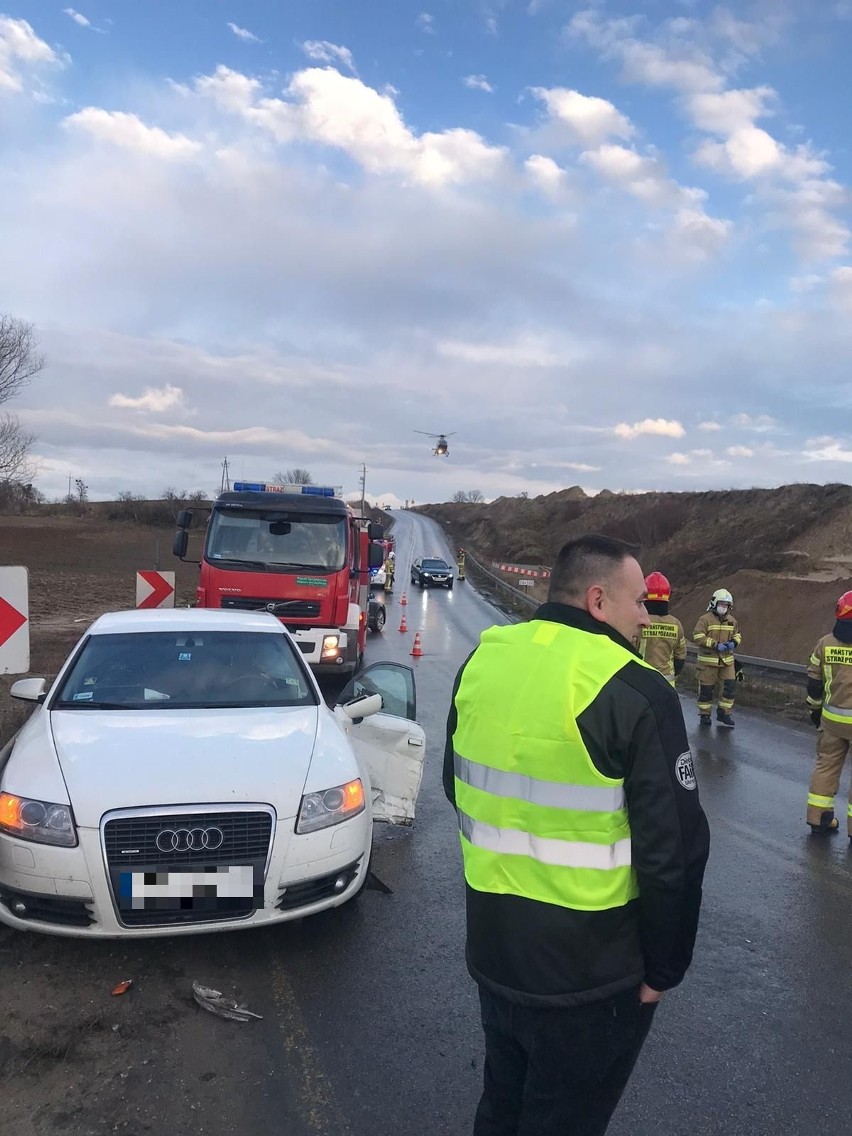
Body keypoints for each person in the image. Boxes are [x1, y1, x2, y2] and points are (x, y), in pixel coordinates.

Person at [444, 534, 710, 1136]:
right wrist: (662, 970)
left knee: (502, 1107)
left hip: (495, 951)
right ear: (598, 600)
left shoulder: (484, 658)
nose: (648, 615)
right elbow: (676, 853)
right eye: (640, 602)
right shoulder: (635, 689)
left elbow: (455, 785)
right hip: (592, 977)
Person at [804, 590, 852, 839]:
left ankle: (819, 819)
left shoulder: (825, 643)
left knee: (826, 766)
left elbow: (813, 683)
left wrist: (814, 709)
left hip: (831, 719)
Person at [692, 588, 741, 728]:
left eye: (726, 605)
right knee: (706, 690)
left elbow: (737, 635)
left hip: (727, 661)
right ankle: (705, 715)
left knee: (730, 687)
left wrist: (734, 642)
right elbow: (697, 636)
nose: (723, 607)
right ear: (714, 603)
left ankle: (724, 713)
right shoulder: (705, 620)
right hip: (708, 662)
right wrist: (714, 645)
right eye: (721, 604)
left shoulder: (732, 621)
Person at [637, 571, 686, 686]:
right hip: (667, 682)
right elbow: (680, 657)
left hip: (641, 681)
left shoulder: (639, 621)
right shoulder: (676, 624)